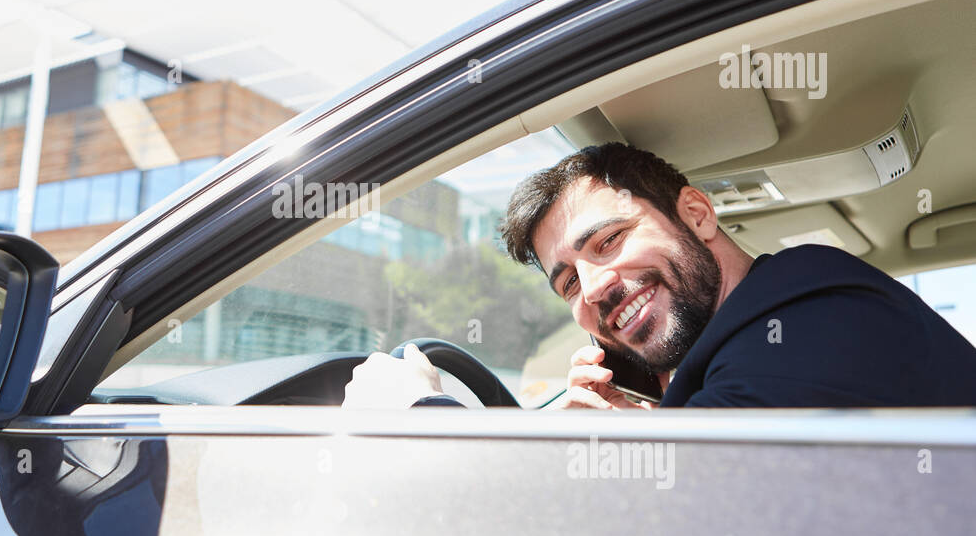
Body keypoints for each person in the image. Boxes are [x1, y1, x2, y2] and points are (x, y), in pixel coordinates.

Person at [343, 142, 976, 409]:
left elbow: (654, 532)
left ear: (697, 215)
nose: (593, 288)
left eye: (610, 241)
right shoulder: (752, 347)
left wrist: (421, 418)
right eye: (567, 283)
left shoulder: (809, 313)